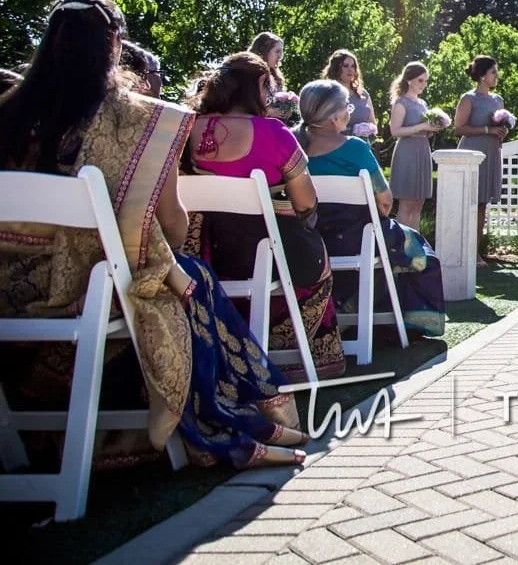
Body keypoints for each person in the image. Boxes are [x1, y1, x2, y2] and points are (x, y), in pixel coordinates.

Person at [0, 0, 308, 468]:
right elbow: (172, 224)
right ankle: (241, 417)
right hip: (90, 298)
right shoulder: (145, 122)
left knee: (185, 278)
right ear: (114, 45)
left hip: (8, 301)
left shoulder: (8, 113)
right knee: (190, 279)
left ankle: (255, 415)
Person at [185, 52, 347, 380]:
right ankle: (298, 359)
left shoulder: (182, 128)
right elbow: (305, 203)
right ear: (260, 84)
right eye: (268, 89)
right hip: (259, 255)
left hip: (194, 260)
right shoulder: (272, 133)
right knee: (307, 245)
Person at [298, 80, 445, 338]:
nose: (349, 112)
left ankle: (342, 313)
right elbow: (385, 199)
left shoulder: (292, 146)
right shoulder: (354, 147)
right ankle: (409, 324)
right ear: (334, 117)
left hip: (308, 243)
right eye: (347, 107)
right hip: (358, 240)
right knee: (420, 253)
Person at [455, 56, 511, 263]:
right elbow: (459, 128)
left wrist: (501, 131)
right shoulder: (468, 99)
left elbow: (500, 125)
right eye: (493, 72)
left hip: (491, 151)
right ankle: (462, 251)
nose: (497, 76)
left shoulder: (498, 100)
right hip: (472, 151)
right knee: (469, 203)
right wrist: (487, 129)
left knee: (482, 204)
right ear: (481, 75)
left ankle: (475, 252)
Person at [388, 61, 440, 231]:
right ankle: (401, 248)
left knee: (419, 201)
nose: (424, 84)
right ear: (409, 80)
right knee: (407, 202)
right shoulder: (401, 102)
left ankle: (415, 248)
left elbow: (422, 128)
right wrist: (422, 127)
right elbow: (395, 131)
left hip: (422, 149)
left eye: (426, 81)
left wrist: (431, 129)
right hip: (407, 152)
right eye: (420, 80)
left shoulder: (422, 104)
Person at [322, 49, 374, 136]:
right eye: (345, 66)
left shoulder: (363, 94)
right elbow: (323, 127)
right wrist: (352, 131)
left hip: (362, 146)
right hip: (336, 145)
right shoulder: (328, 94)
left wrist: (369, 131)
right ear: (335, 68)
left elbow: (373, 125)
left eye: (353, 66)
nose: (350, 70)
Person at [250, 32, 294, 125]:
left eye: (281, 52)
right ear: (264, 52)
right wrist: (268, 112)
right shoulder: (250, 75)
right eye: (277, 51)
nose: (280, 56)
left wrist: (286, 109)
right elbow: (243, 108)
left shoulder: (276, 76)